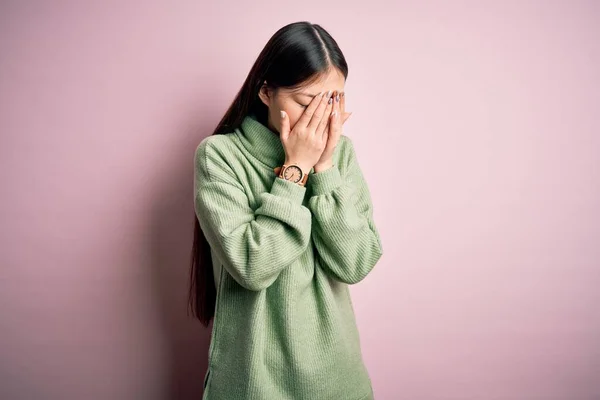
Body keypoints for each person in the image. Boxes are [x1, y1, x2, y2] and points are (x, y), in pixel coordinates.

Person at [189, 21, 384, 400]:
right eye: (307, 103)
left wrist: (323, 169)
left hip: (338, 379)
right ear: (266, 92)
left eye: (333, 101)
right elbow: (252, 265)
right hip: (253, 383)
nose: (323, 119)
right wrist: (295, 171)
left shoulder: (341, 154)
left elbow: (357, 262)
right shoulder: (219, 157)